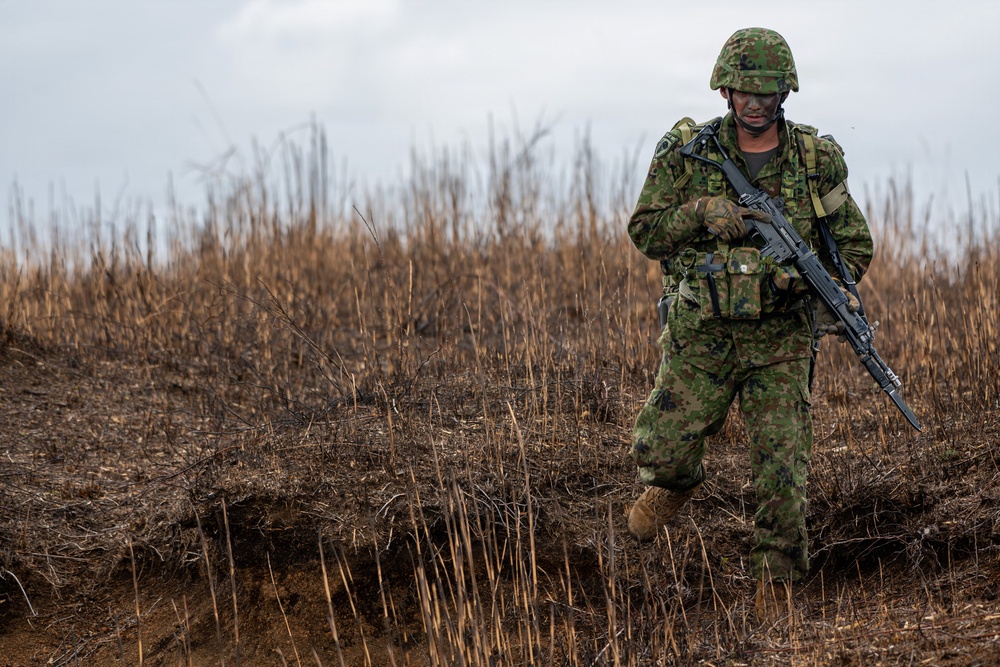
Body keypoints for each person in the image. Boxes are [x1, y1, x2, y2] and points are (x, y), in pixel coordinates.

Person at [624, 27, 873, 623]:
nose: (755, 103)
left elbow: (854, 244)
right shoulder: (685, 151)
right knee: (663, 447)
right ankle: (674, 484)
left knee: (782, 469)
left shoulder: (815, 158)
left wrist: (817, 288)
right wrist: (700, 211)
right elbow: (645, 231)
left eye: (767, 92)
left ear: (785, 93)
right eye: (744, 91)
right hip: (701, 335)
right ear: (725, 90)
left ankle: (777, 587)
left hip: (781, 339)